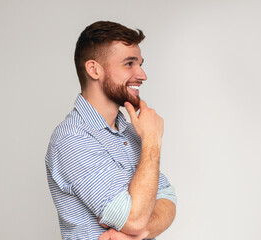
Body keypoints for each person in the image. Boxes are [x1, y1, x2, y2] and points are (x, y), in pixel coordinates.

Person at [45, 21, 177, 240]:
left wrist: (139, 233)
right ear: (94, 70)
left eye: (140, 64)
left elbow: (168, 198)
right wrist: (152, 140)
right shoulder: (72, 138)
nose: (142, 75)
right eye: (129, 64)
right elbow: (132, 219)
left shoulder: (130, 131)